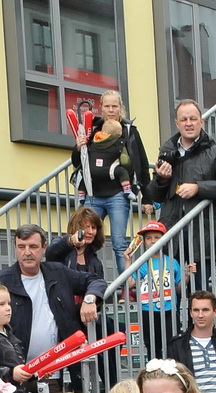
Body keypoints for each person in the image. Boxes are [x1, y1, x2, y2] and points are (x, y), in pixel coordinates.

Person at [0, 225, 99, 379]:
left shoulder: (58, 272)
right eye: (21, 247)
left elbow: (94, 280)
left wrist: (90, 298)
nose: (27, 252)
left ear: (44, 248)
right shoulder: (2, 281)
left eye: (33, 246)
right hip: (19, 375)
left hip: (54, 373)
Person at [69, 89, 149, 272]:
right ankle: (86, 281)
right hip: (92, 194)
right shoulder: (92, 130)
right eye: (107, 106)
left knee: (119, 242)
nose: (111, 109)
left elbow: (142, 164)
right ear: (101, 108)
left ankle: (126, 287)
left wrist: (147, 196)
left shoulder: (129, 131)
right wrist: (78, 147)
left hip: (118, 195)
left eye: (115, 106)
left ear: (120, 108)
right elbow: (77, 162)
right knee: (85, 241)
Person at [148, 99, 216, 231]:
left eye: (193, 119)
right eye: (183, 119)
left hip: (203, 232)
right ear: (177, 124)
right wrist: (162, 179)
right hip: (171, 230)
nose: (189, 123)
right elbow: (155, 197)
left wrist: (199, 188)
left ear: (201, 122)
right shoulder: (166, 152)